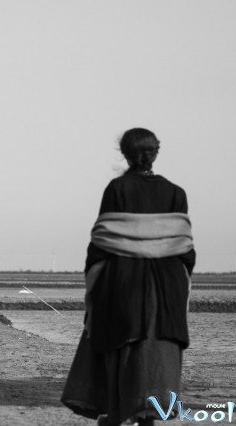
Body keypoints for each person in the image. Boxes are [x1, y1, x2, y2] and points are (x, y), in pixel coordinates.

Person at [61, 128, 196, 426]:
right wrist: (177, 286)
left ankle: (116, 416)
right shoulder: (176, 193)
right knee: (157, 352)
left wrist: (94, 286)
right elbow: (186, 251)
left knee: (119, 346)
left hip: (121, 283)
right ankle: (147, 417)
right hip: (167, 288)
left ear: (124, 153)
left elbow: (101, 243)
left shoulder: (117, 189)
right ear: (156, 152)